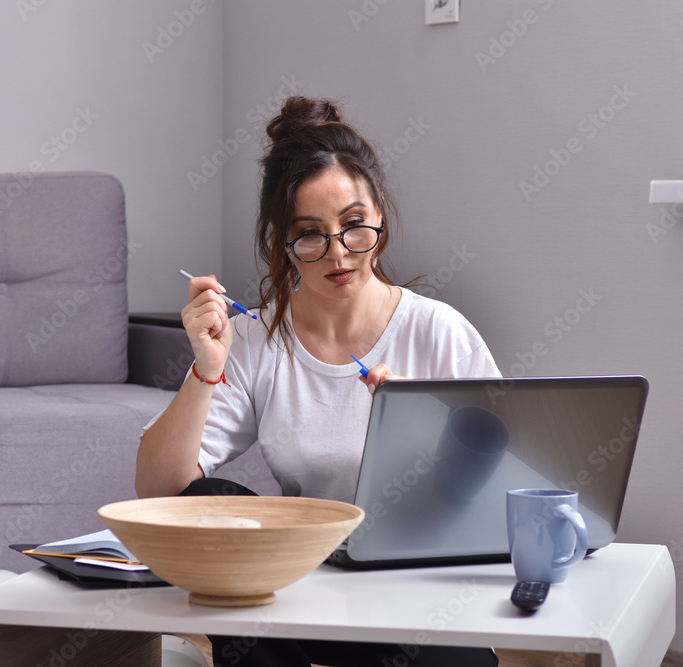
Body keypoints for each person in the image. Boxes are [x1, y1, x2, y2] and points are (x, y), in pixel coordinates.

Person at [136, 96, 501, 667]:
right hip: (298, 593)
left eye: (354, 226)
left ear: (379, 214)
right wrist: (207, 370)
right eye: (310, 234)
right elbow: (161, 489)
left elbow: (504, 489)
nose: (338, 254)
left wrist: (426, 425)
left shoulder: (440, 332)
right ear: (280, 241)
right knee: (214, 502)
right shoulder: (254, 340)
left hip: (415, 593)